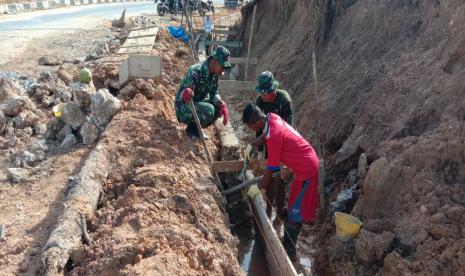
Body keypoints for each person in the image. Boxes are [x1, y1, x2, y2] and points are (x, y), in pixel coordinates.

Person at [243, 103, 319, 260]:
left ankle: (288, 255)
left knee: (294, 215)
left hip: (307, 169)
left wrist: (258, 187)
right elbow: (264, 136)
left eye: (250, 127)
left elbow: (271, 168)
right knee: (292, 208)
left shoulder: (275, 135)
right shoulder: (271, 118)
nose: (251, 130)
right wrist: (252, 145)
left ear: (256, 122)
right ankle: (286, 246)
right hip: (302, 168)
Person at [254, 71, 293, 222]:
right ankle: (268, 210)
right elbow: (258, 127)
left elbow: (288, 127)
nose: (264, 96)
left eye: (267, 93)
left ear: (273, 89)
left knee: (278, 178)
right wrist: (260, 150)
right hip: (267, 141)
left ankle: (278, 216)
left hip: (282, 141)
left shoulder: (284, 100)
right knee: (268, 177)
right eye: (262, 93)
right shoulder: (260, 101)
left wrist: (280, 151)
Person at [175, 46, 232, 139]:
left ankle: (197, 128)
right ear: (214, 61)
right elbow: (184, 97)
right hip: (183, 107)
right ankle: (191, 130)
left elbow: (214, 93)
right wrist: (185, 94)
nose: (223, 70)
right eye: (222, 66)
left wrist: (221, 104)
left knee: (217, 108)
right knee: (209, 109)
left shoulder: (214, 75)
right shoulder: (196, 71)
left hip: (197, 104)